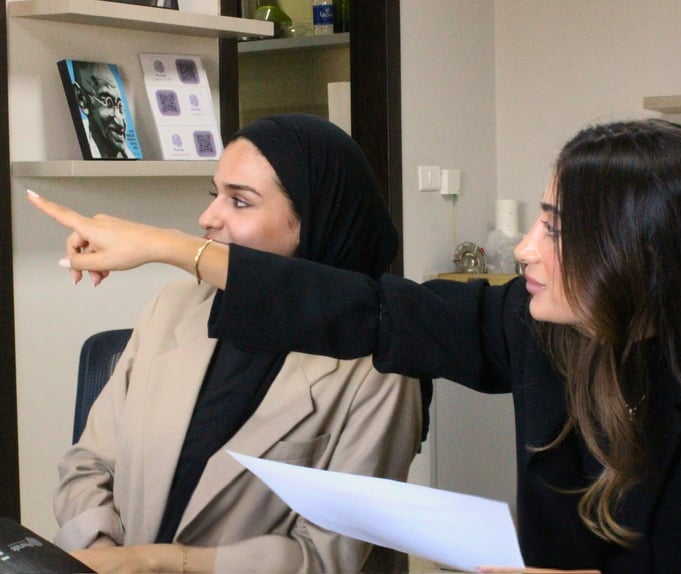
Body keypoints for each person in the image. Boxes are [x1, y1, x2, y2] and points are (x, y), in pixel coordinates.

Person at [28, 118, 681, 573]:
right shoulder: (537, 327)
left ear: (641, 254)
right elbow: (371, 309)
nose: (523, 249)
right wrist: (166, 248)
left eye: (556, 229)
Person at [39, 114, 424, 573]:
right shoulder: (173, 307)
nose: (207, 218)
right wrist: (104, 554)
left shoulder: (378, 369)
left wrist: (155, 563)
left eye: (240, 202)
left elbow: (328, 556)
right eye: (214, 194)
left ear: (315, 221)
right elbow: (88, 464)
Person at [72, 61, 136, 159]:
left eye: (119, 105)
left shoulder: (130, 156)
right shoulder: (76, 139)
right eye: (108, 103)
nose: (119, 120)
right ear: (82, 100)